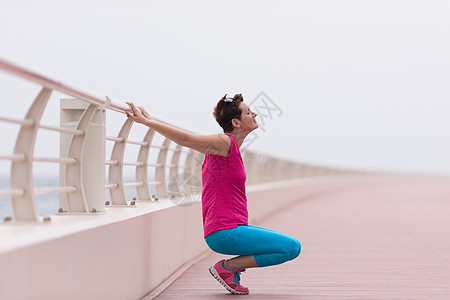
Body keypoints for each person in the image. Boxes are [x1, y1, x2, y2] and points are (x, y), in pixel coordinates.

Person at [126, 94, 301, 295]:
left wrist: (151, 120)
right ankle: (227, 268)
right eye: (247, 112)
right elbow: (186, 139)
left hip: (232, 227)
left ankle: (230, 270)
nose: (254, 113)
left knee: (289, 246)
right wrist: (147, 122)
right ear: (236, 122)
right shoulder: (223, 143)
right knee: (291, 247)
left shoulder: (231, 147)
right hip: (224, 231)